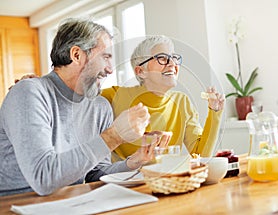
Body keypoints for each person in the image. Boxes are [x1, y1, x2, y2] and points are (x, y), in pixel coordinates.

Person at [0, 18, 162, 196]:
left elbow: (95, 175)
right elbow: (43, 178)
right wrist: (114, 136)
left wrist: (133, 162)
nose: (110, 69)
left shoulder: (100, 107)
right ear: (76, 55)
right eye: (105, 57)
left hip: (69, 201)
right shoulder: (29, 92)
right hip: (15, 204)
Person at [101, 35, 225, 161]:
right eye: (162, 58)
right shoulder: (112, 96)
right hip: (122, 180)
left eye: (174, 58)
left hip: (165, 180)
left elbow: (200, 155)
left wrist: (214, 113)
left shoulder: (182, 102)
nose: (172, 64)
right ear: (140, 71)